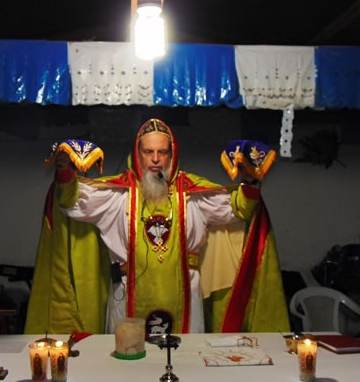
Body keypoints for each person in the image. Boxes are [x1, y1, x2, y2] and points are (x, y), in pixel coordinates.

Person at [25, 118, 289, 335]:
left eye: (162, 152)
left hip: (186, 299)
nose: (155, 159)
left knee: (185, 365)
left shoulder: (193, 193)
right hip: (126, 296)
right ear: (137, 153)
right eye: (148, 151)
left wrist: (250, 180)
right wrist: (65, 170)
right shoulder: (117, 193)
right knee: (127, 368)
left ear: (172, 154)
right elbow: (71, 202)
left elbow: (239, 209)